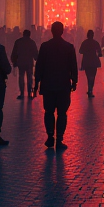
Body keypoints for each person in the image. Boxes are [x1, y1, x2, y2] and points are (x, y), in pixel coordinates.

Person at [35, 21, 79, 150]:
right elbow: (73, 66)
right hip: (63, 84)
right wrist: (74, 81)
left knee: (48, 112)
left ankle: (50, 136)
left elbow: (39, 66)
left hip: (48, 84)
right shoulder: (68, 47)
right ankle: (59, 138)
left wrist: (36, 82)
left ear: (51, 31)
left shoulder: (45, 46)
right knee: (62, 113)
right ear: (62, 31)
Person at [11, 29, 38, 99]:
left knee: (21, 77)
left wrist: (14, 61)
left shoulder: (18, 42)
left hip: (21, 62)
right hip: (29, 63)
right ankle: (29, 93)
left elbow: (14, 52)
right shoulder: (32, 42)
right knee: (29, 78)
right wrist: (36, 59)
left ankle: (22, 93)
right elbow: (35, 53)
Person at [79, 30, 102, 97]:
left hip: (86, 61)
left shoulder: (84, 42)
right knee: (93, 76)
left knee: (88, 76)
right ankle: (90, 89)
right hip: (94, 61)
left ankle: (89, 88)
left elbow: (80, 51)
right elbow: (99, 52)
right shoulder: (95, 43)